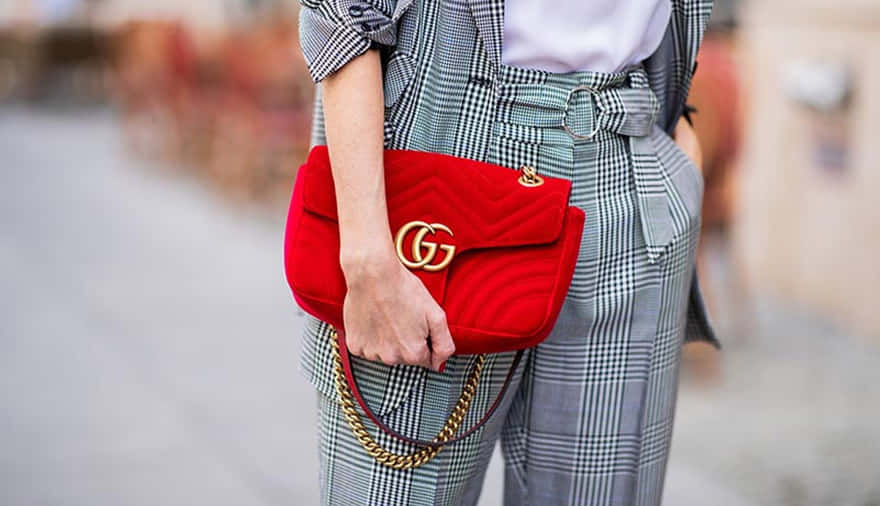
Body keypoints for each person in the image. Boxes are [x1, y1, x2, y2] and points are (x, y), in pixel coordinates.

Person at [296, 0, 722, 504]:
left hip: (625, 168)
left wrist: (677, 136)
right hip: (441, 159)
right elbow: (343, 15)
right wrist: (368, 255)